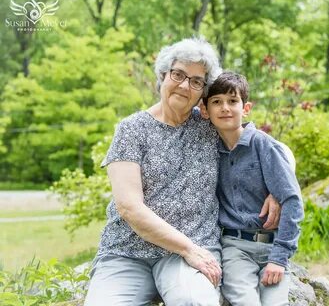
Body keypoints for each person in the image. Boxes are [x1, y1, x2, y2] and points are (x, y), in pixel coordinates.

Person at [84, 38, 281, 306]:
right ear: (163, 75)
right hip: (127, 252)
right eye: (178, 75)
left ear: (202, 91)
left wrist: (277, 190)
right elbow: (129, 207)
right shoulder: (131, 130)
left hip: (193, 250)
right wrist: (187, 249)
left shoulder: (211, 124)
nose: (185, 85)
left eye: (196, 81)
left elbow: (270, 148)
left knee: (195, 302)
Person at [200, 71, 304, 306]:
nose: (225, 108)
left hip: (273, 246)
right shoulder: (208, 149)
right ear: (205, 110)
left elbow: (292, 201)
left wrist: (279, 258)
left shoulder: (263, 145)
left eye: (232, 101)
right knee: (245, 301)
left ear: (246, 108)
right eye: (216, 102)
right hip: (235, 248)